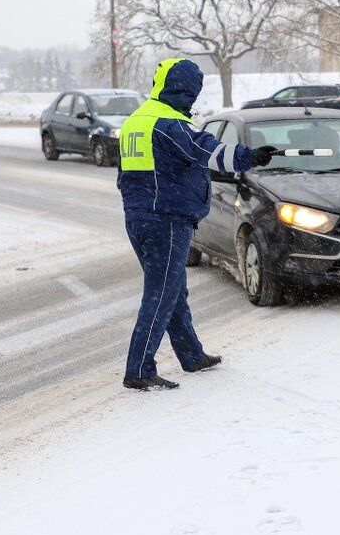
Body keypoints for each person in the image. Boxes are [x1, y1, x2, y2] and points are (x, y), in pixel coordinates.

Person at [117, 58, 278, 391]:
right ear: (180, 90)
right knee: (161, 294)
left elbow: (125, 175)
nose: (191, 100)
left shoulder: (137, 121)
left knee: (173, 290)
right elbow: (208, 151)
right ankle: (139, 369)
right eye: (190, 93)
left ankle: (191, 356)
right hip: (167, 219)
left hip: (139, 216)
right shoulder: (169, 123)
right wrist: (250, 156)